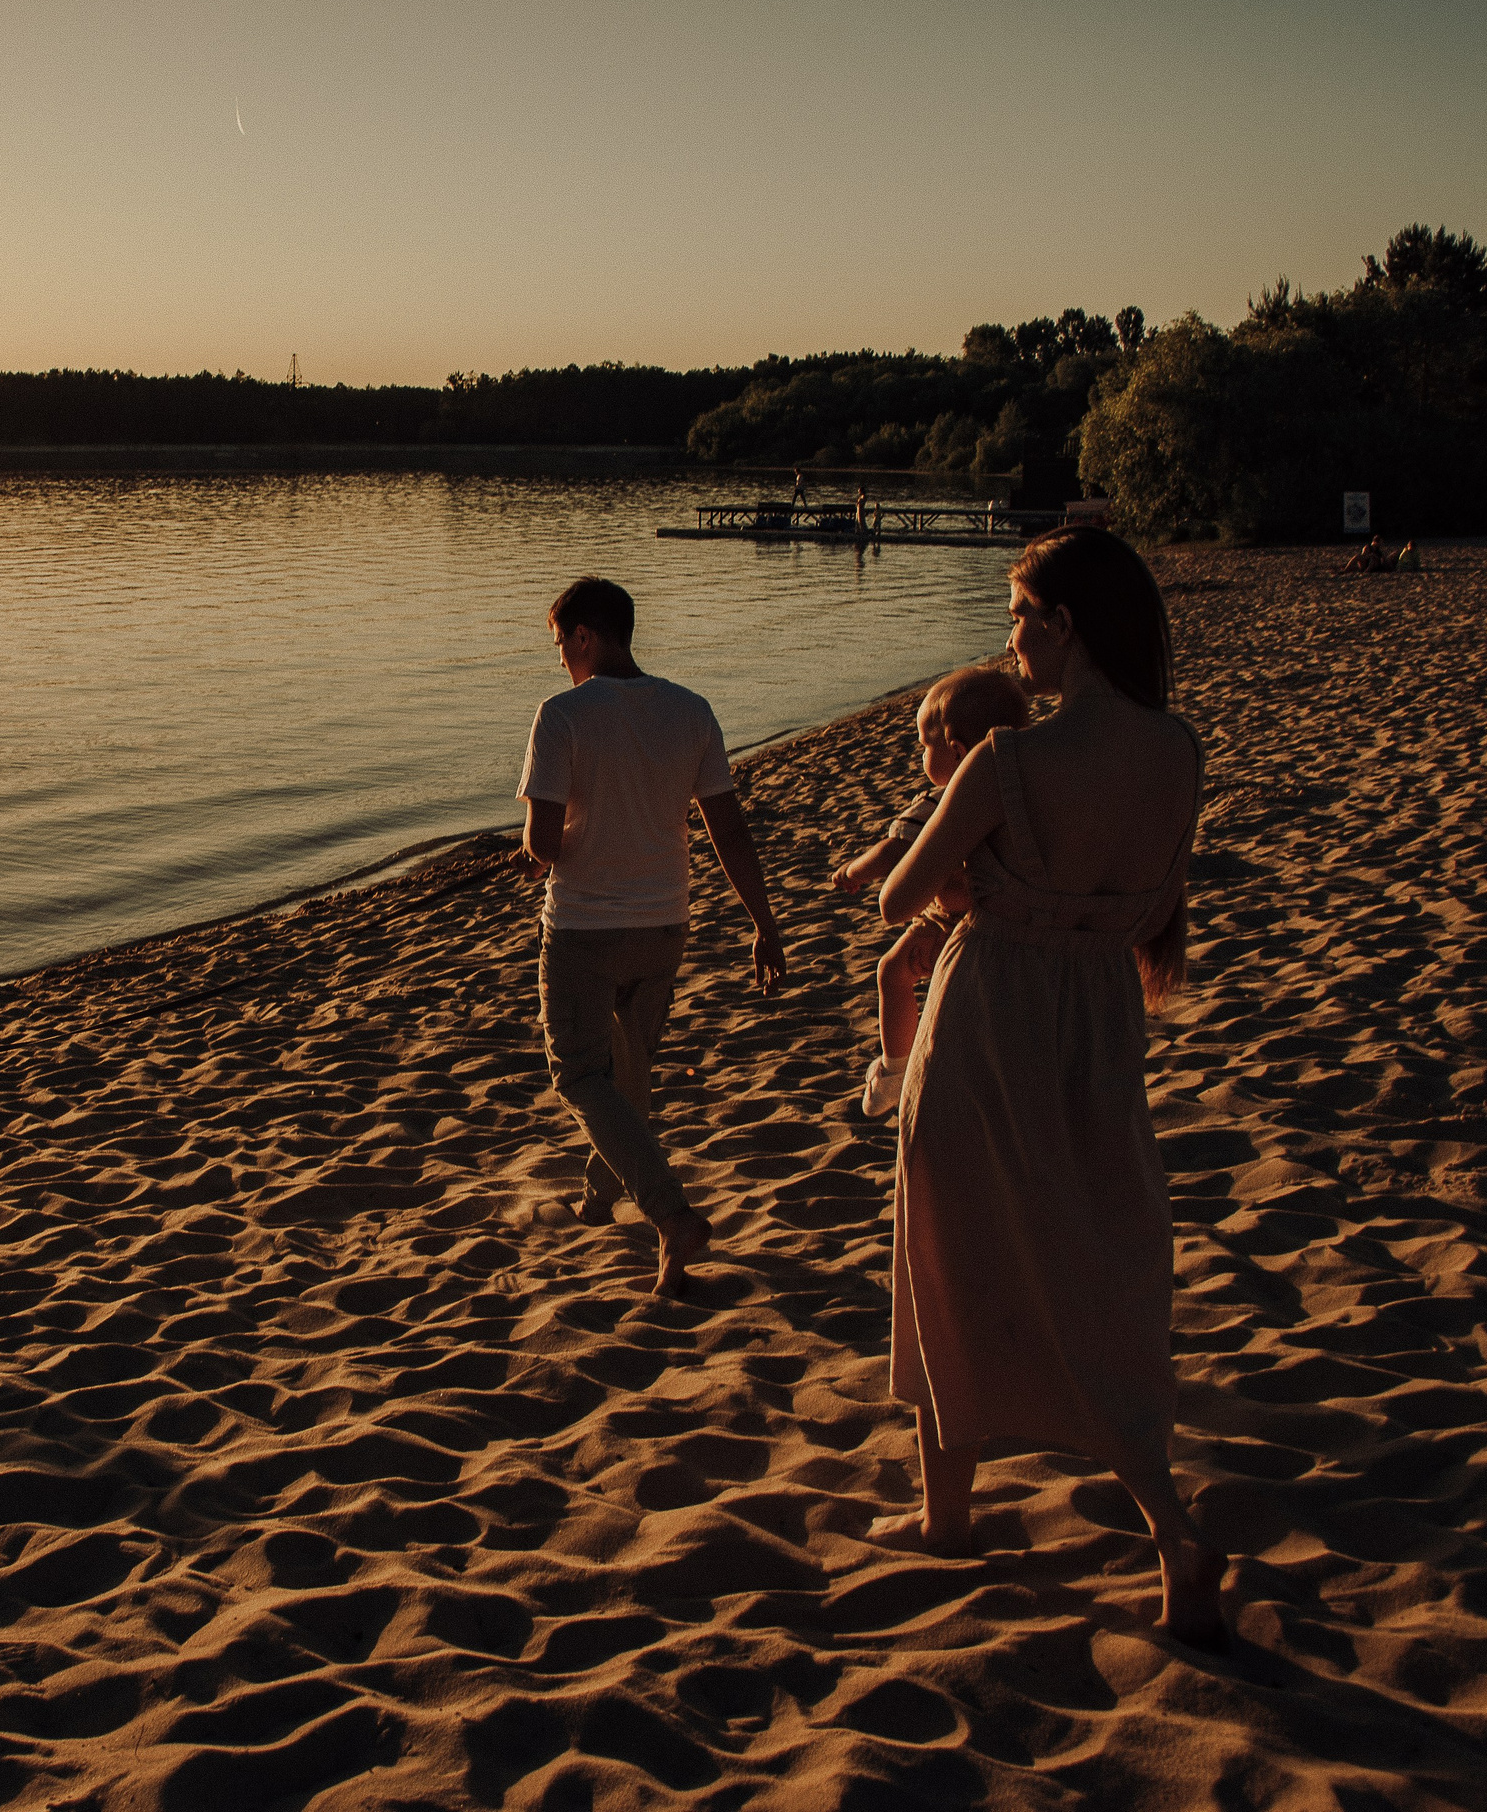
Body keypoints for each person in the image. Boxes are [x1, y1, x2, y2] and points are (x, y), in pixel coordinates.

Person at [872, 528, 1224, 1646]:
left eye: (1020, 614)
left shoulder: (1007, 762)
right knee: (1092, 1267)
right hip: (1098, 1027)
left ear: (1066, 626)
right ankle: (1167, 1526)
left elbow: (900, 901)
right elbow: (1144, 900)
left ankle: (947, 1522)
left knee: (947, 1251)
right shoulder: (1178, 750)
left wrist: (959, 878)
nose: (1010, 640)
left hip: (988, 1025)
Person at [516, 576, 786, 1297]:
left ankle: (670, 1216)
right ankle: (600, 1196)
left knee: (579, 1074)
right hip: (666, 923)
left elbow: (545, 846)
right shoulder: (690, 710)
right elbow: (727, 826)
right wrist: (763, 922)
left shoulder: (562, 715)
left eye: (559, 646)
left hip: (584, 927)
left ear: (586, 636)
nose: (559, 662)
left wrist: (535, 843)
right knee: (629, 1074)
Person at [831, 666, 1030, 1116]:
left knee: (891, 973)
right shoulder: (1029, 787)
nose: (921, 754)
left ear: (957, 751)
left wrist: (852, 871)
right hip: (1008, 917)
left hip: (954, 920)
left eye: (925, 744)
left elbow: (892, 853)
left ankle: (896, 1069)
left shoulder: (943, 801)